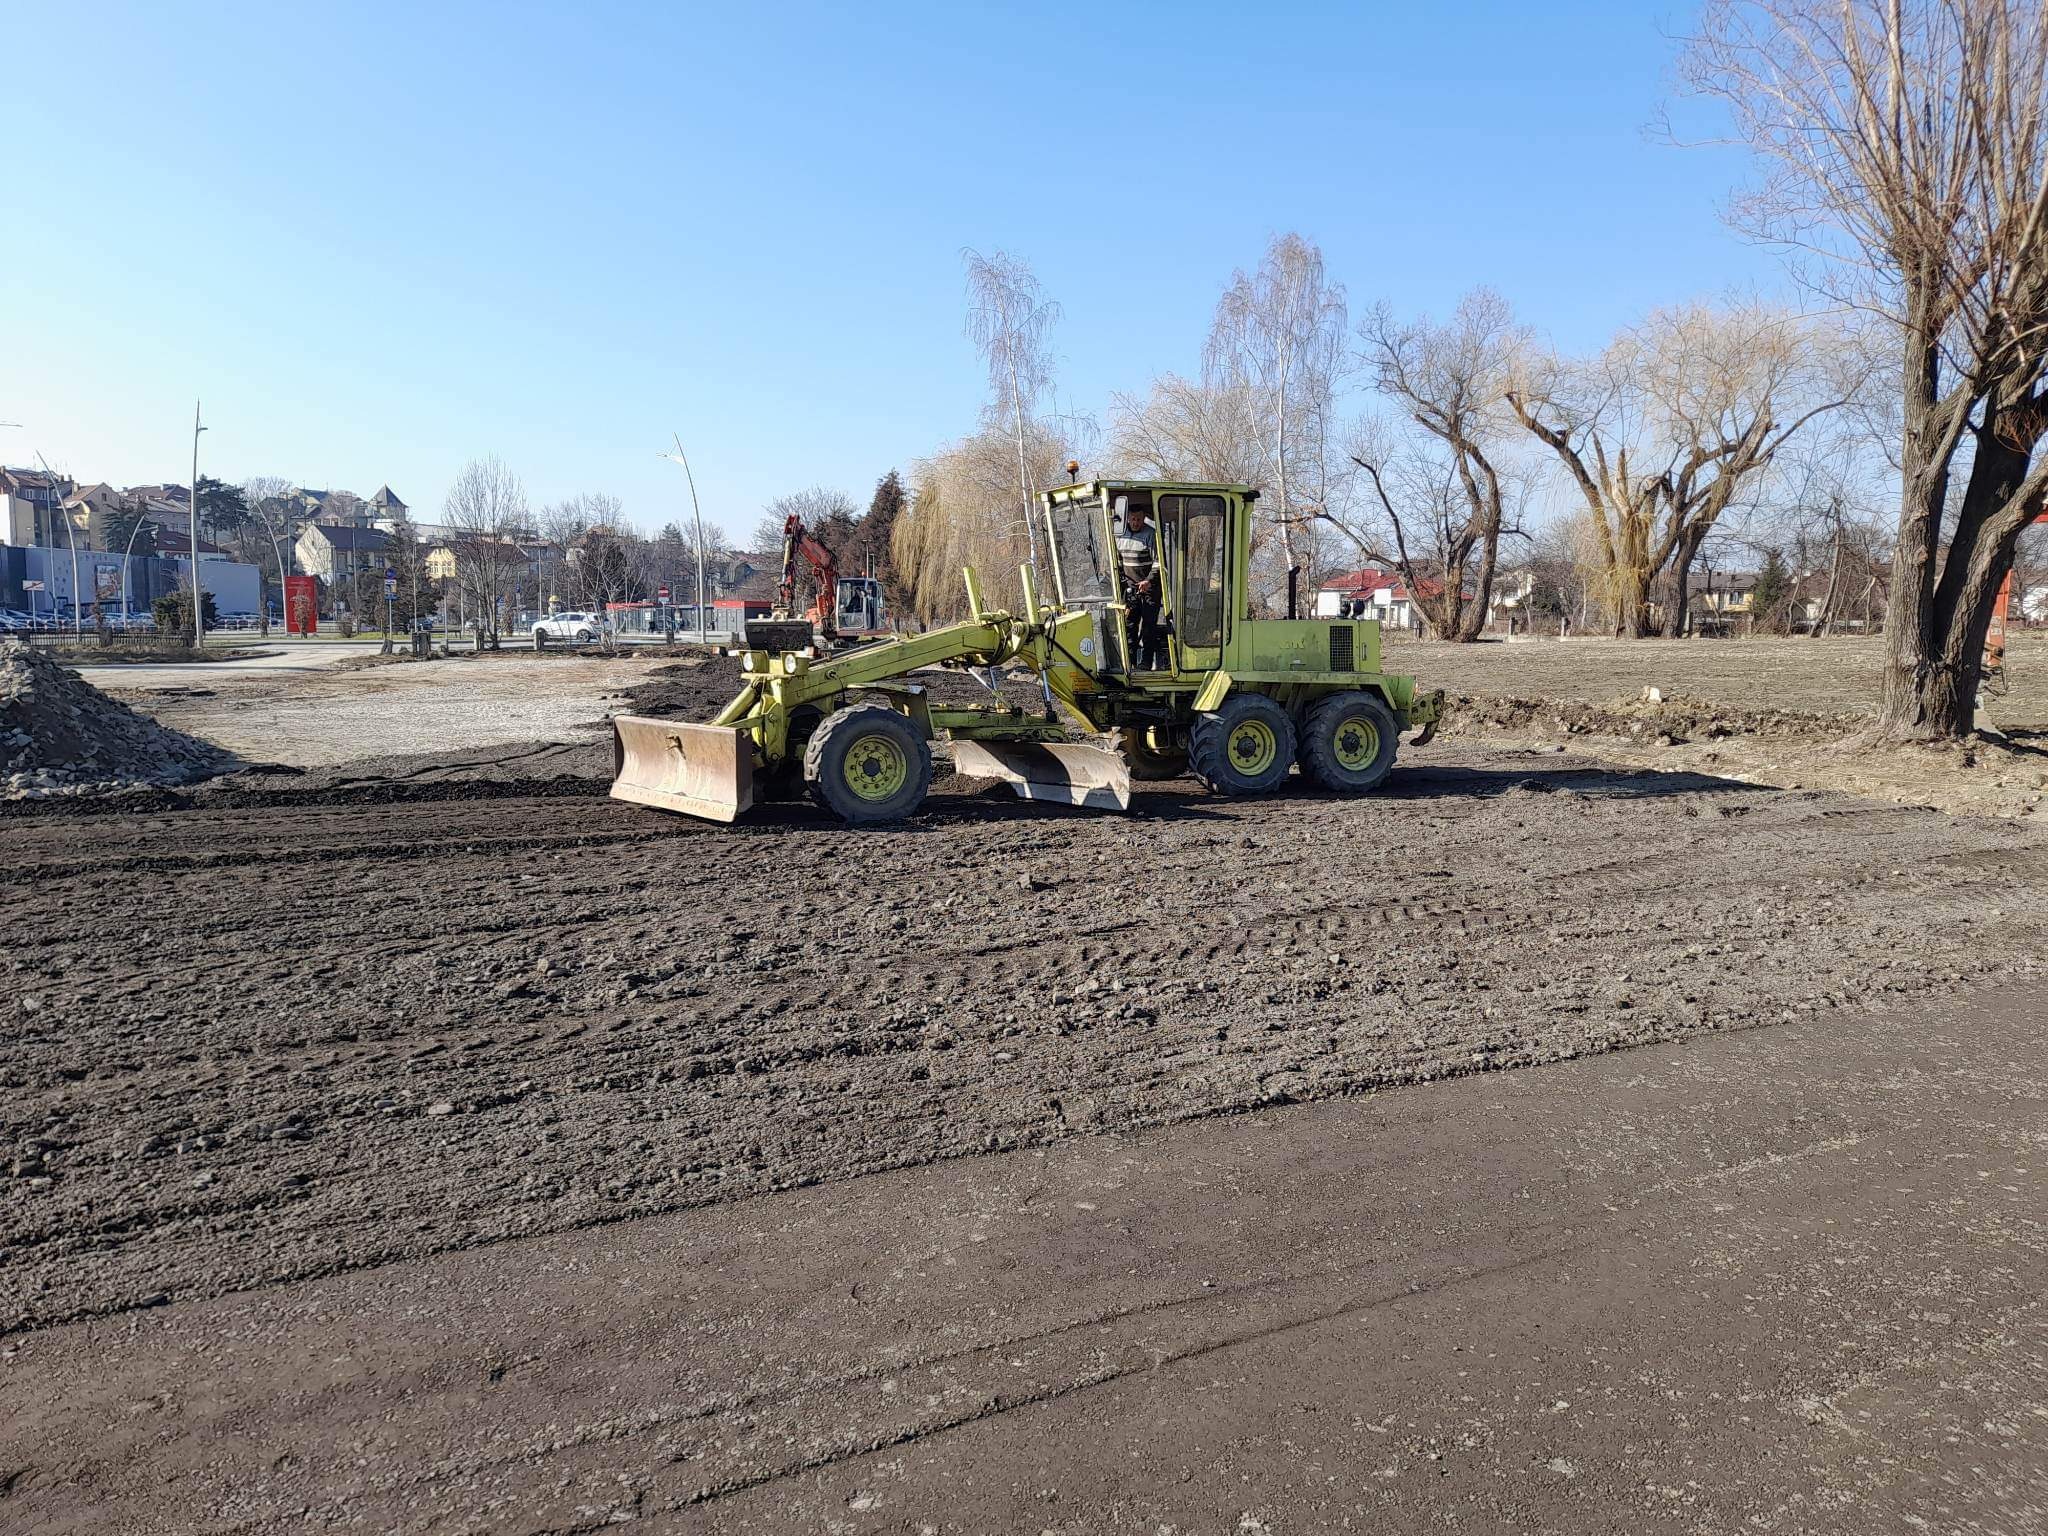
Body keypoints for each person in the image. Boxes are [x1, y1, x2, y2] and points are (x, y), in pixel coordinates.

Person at [1114, 500, 1167, 669]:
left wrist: (1149, 581)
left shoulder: (1150, 534)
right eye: (1133, 519)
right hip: (1131, 588)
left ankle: (1145, 663)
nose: (1136, 522)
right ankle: (1129, 663)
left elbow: (1158, 562)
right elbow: (1117, 562)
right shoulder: (1119, 537)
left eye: (1139, 519)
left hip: (1150, 588)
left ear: (1144, 519)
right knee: (1129, 625)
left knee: (1148, 627)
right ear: (1127, 519)